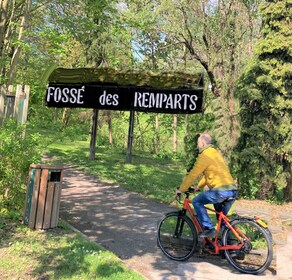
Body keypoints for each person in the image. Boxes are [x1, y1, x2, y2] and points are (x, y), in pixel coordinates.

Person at [176, 132, 238, 238]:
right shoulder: (214, 153)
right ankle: (228, 249)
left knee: (196, 201)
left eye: (198, 143)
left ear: (203, 143)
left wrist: (181, 189)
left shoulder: (204, 155)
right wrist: (198, 187)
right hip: (231, 190)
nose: (197, 145)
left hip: (221, 191)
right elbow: (209, 174)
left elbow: (193, 174)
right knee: (221, 219)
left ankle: (208, 228)